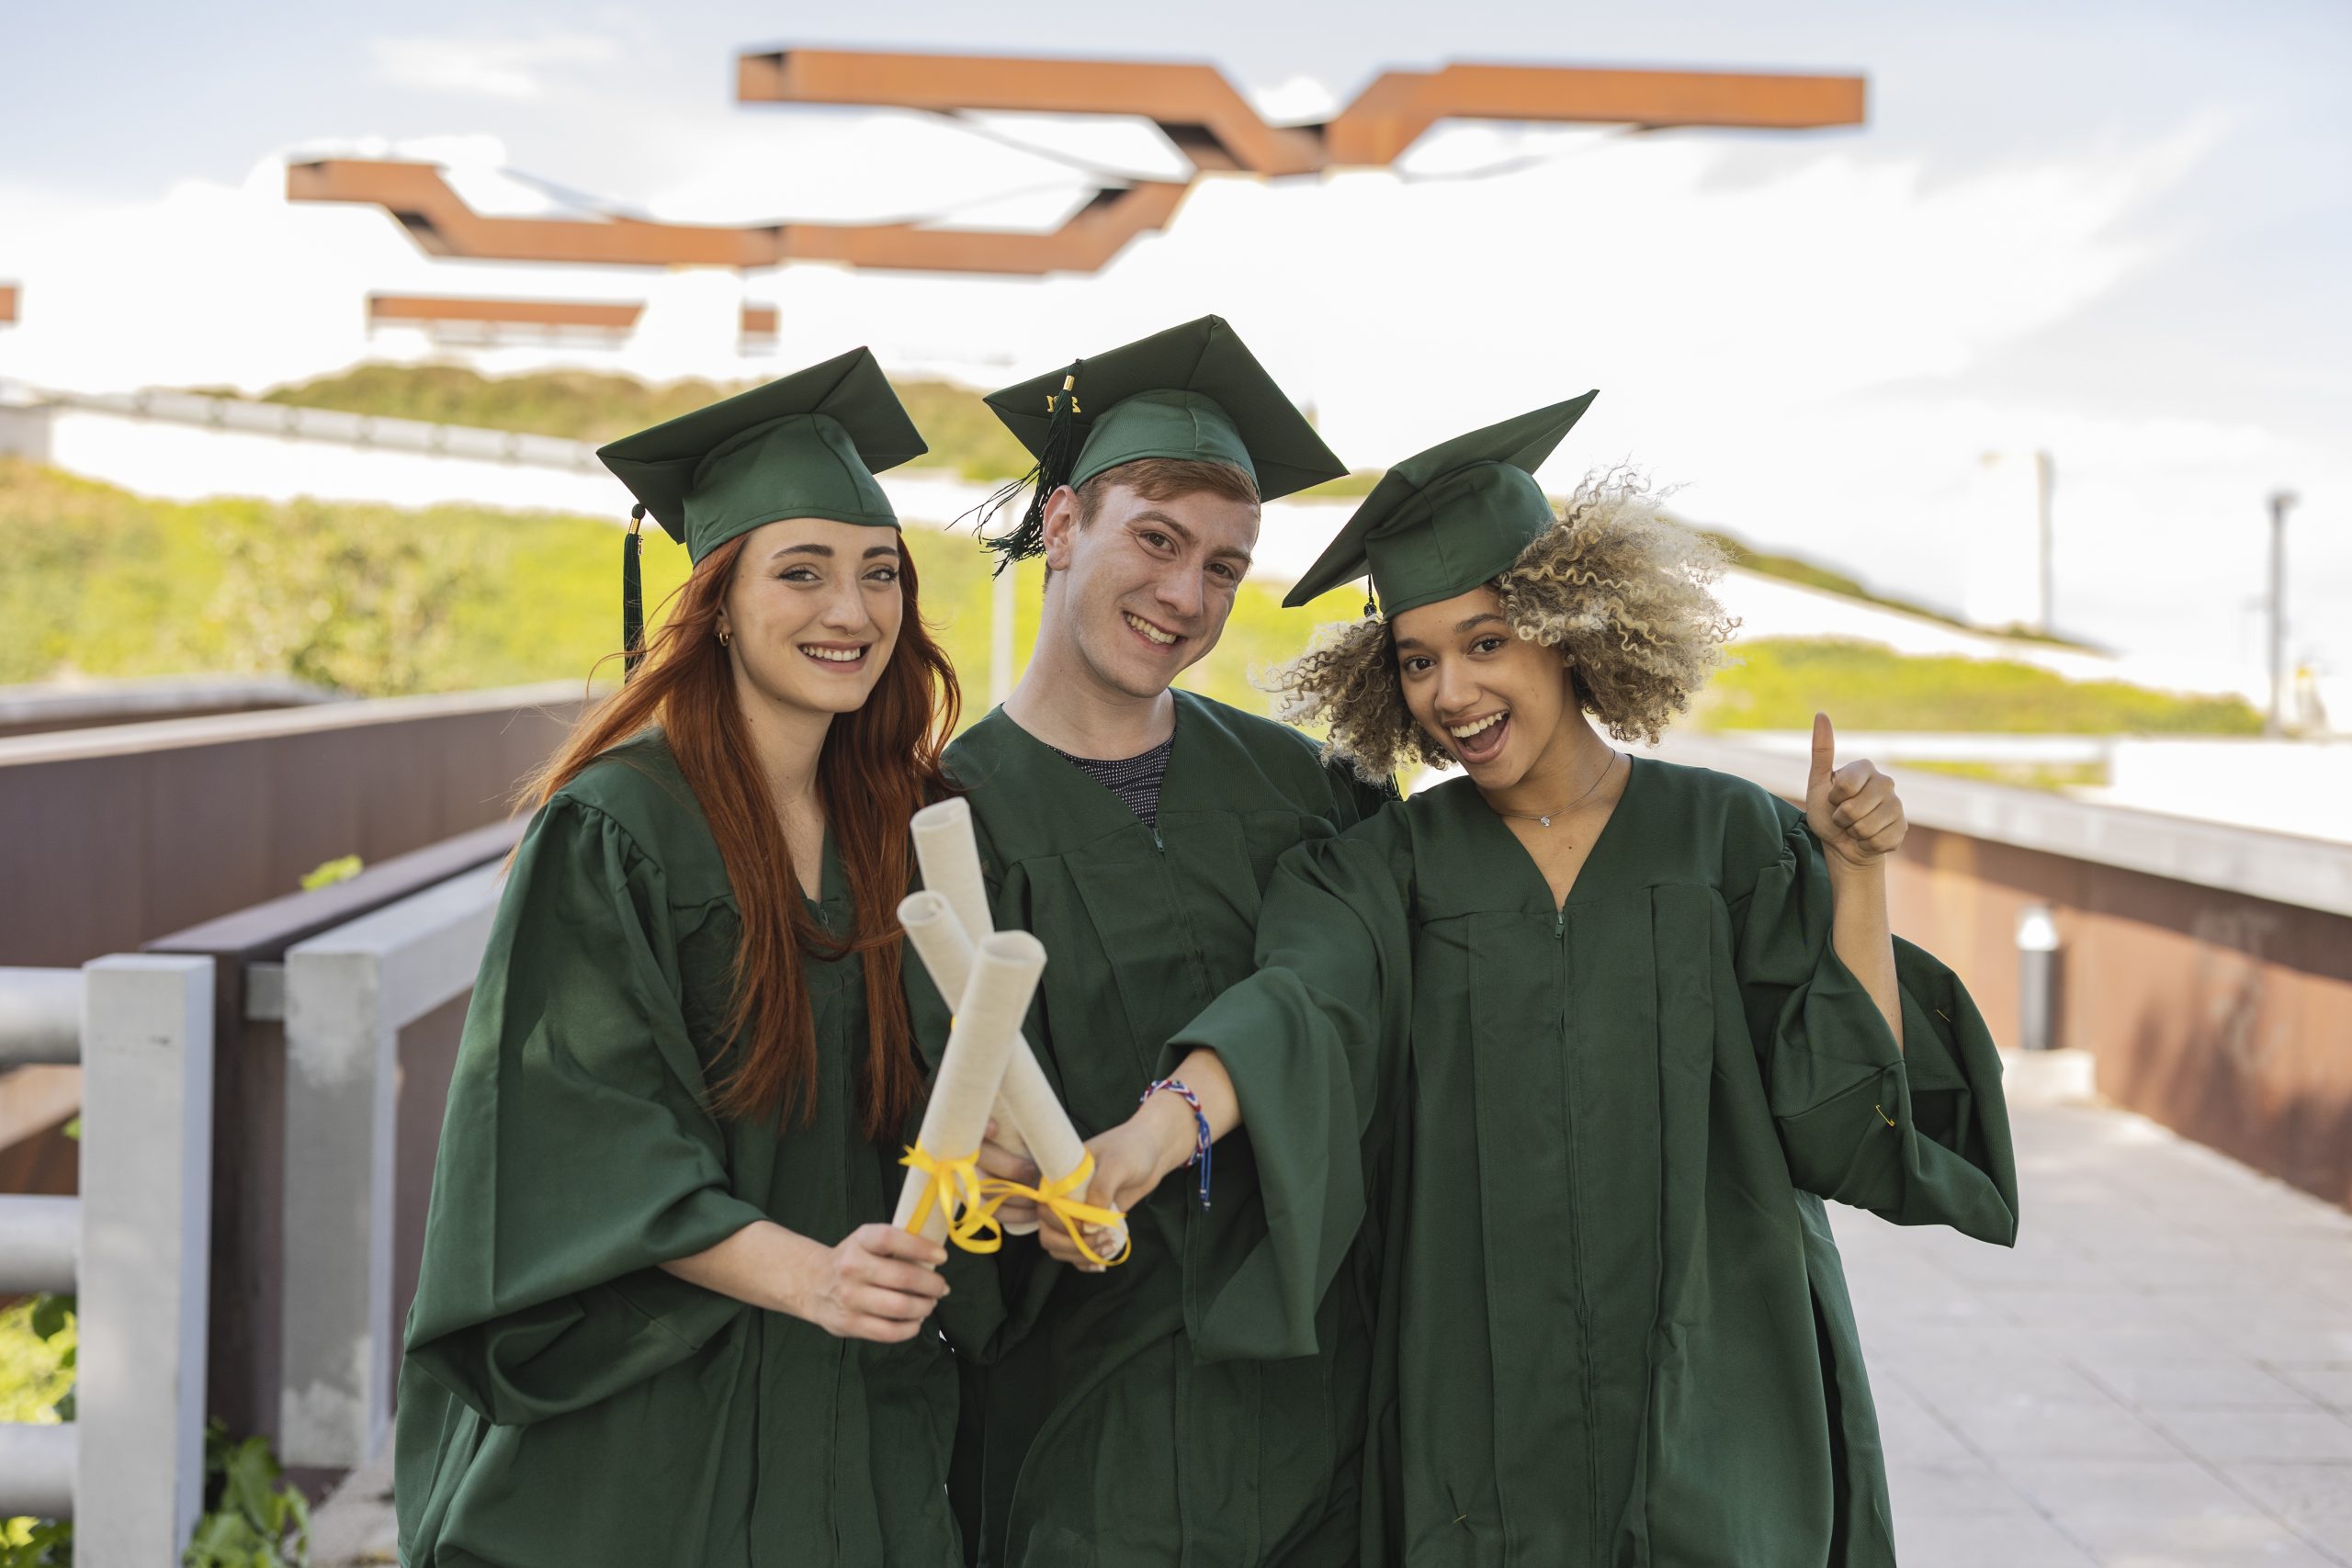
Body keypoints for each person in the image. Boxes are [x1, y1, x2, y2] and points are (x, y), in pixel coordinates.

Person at [1078, 397, 2020, 1566]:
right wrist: (1157, 1133)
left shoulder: (1724, 842)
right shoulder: (1386, 870)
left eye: (1486, 643)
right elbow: (1298, 1006)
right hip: (1483, 1419)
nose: (1450, 694)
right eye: (1416, 660)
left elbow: (1840, 1120)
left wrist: (1857, 873)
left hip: (1722, 1398)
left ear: (1571, 630)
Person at [395, 349, 971, 1567]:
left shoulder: (897, 823)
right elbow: (584, 1127)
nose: (852, 612)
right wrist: (811, 1279)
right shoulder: (617, 823)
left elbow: (925, 1085)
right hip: (648, 1413)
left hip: (843, 1412)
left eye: (879, 574)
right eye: (800, 572)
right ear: (716, 599)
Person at [913, 315, 1395, 1566]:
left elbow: (1372, 1005)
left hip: (1316, 1407)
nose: (1186, 596)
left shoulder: (1309, 792)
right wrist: (996, 1172)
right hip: (1078, 1415)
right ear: (1064, 525)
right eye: (1158, 539)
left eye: (1226, 568)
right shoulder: (935, 815)